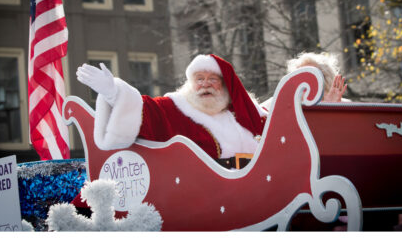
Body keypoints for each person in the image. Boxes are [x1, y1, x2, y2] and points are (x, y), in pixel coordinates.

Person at [76, 54, 266, 170]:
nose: (205, 84)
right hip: (205, 197)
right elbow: (145, 109)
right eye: (199, 79)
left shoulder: (245, 115)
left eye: (213, 79)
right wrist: (113, 92)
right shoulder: (175, 107)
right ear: (191, 84)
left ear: (224, 85)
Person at [262, 52, 348, 110]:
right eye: (298, 76)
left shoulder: (345, 106)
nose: (303, 83)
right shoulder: (276, 104)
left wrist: (330, 109)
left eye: (310, 77)